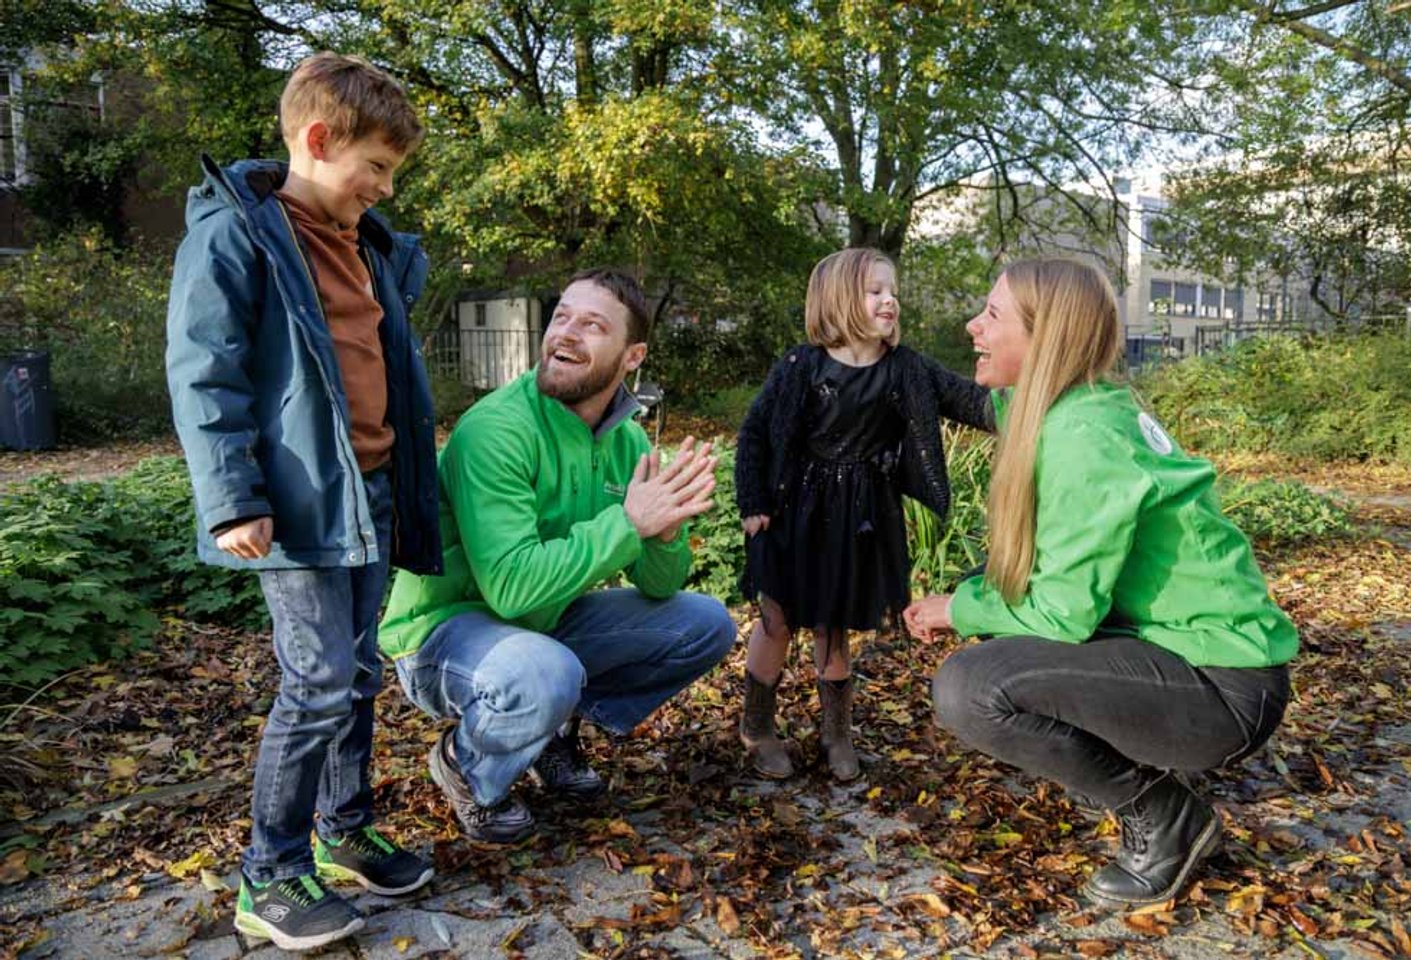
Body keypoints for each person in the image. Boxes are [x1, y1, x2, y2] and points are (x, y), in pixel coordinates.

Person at [904, 258, 1297, 909]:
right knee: (990, 595)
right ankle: (1114, 770)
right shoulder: (1086, 405)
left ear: (1047, 335)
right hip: (1197, 659)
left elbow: (1060, 613)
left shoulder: (1082, 436)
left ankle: (1169, 819)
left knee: (970, 686)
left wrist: (959, 607)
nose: (974, 325)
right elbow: (985, 403)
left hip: (1224, 689)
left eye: (993, 315)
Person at [165, 53, 443, 950]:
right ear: (319, 140)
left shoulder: (370, 245)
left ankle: (343, 829)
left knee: (357, 674)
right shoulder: (238, 235)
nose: (384, 188)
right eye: (378, 168)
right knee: (318, 679)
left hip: (371, 493)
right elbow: (207, 375)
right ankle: (270, 874)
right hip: (294, 504)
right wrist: (231, 500)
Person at [379, 268, 736, 843]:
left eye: (592, 325)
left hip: (541, 627)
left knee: (704, 624)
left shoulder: (628, 441)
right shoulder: (496, 431)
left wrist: (665, 533)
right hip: (441, 636)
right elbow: (511, 588)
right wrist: (627, 522)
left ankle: (548, 733)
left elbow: (658, 586)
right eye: (562, 316)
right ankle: (469, 765)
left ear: (631, 355)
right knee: (546, 671)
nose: (565, 334)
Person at [733, 247, 993, 782]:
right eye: (875, 291)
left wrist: (1038, 403)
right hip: (794, 510)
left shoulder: (906, 368)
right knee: (777, 618)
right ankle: (757, 726)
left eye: (892, 291)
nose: (889, 300)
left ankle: (836, 732)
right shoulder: (800, 368)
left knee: (834, 622)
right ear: (837, 301)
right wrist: (753, 502)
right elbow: (756, 432)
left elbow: (973, 402)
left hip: (861, 517)